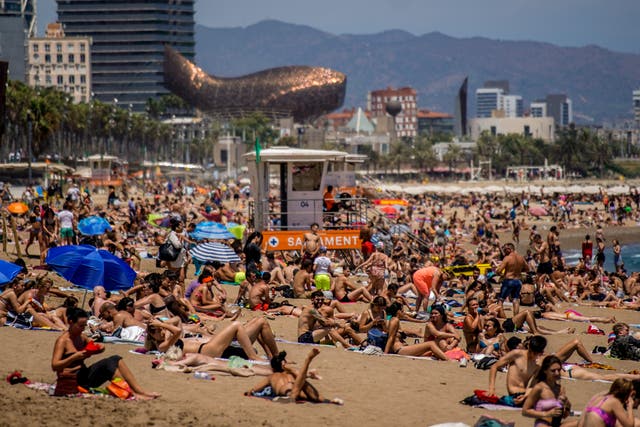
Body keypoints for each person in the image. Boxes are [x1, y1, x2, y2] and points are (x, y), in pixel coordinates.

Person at [51, 307, 159, 399]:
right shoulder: (63, 341)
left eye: (84, 326)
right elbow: (55, 366)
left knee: (116, 359)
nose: (82, 329)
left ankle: (140, 391)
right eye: (80, 326)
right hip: (73, 379)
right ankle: (133, 393)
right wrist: (74, 357)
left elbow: (97, 347)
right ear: (71, 322)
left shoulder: (81, 337)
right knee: (109, 365)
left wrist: (98, 349)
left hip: (84, 374)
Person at [244, 348, 343, 404]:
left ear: (273, 368)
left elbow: (254, 390)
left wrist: (250, 391)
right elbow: (302, 376)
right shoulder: (291, 373)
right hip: (293, 390)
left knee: (295, 391)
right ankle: (327, 401)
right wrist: (293, 370)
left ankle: (308, 360)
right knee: (301, 385)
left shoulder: (271, 377)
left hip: (287, 391)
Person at [488, 335, 548, 405]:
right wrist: (491, 388)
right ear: (528, 347)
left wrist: (526, 396)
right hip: (514, 393)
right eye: (531, 351)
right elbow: (494, 367)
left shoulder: (537, 365)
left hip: (525, 394)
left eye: (535, 353)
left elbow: (532, 386)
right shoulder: (517, 354)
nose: (532, 354)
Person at [522, 355, 572, 427]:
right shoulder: (539, 388)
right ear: (545, 371)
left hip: (557, 424)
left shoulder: (560, 389)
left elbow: (564, 416)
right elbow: (525, 411)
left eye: (559, 370)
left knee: (581, 423)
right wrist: (547, 414)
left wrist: (567, 405)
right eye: (553, 371)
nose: (557, 373)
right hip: (543, 424)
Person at [496, 242, 529, 315]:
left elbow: (499, 271)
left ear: (509, 249)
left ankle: (502, 317)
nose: (504, 252)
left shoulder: (507, 258)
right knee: (516, 300)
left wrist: (499, 273)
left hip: (508, 281)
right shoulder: (521, 258)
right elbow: (527, 269)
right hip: (518, 281)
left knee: (501, 300)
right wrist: (519, 271)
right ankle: (516, 318)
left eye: (505, 250)